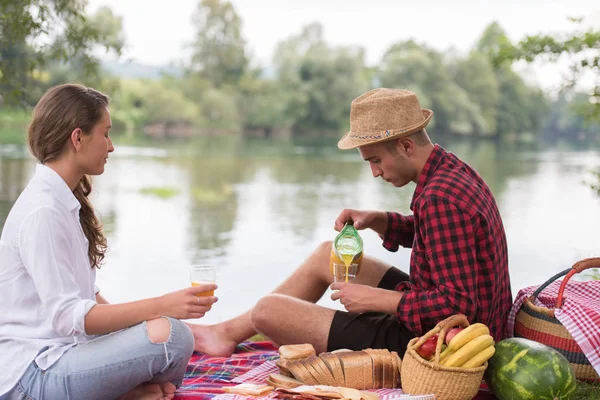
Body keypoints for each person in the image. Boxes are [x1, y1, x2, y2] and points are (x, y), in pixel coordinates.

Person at [189, 88, 512, 358]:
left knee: (268, 312)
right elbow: (444, 238)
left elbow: (459, 305)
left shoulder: (439, 197)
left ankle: (226, 333)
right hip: (450, 320)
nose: (375, 172)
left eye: (375, 160)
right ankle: (224, 334)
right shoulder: (451, 172)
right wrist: (380, 220)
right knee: (327, 253)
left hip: (447, 344)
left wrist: (379, 301)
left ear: (405, 146)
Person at [0, 84, 218, 400]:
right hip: (32, 374)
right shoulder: (43, 211)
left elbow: (86, 295)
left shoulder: (62, 201)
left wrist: (146, 322)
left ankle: (125, 392)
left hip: (65, 355)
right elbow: (68, 315)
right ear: (77, 138)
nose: (111, 146)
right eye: (105, 134)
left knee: (170, 332)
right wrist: (161, 305)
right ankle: (124, 393)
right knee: (170, 338)